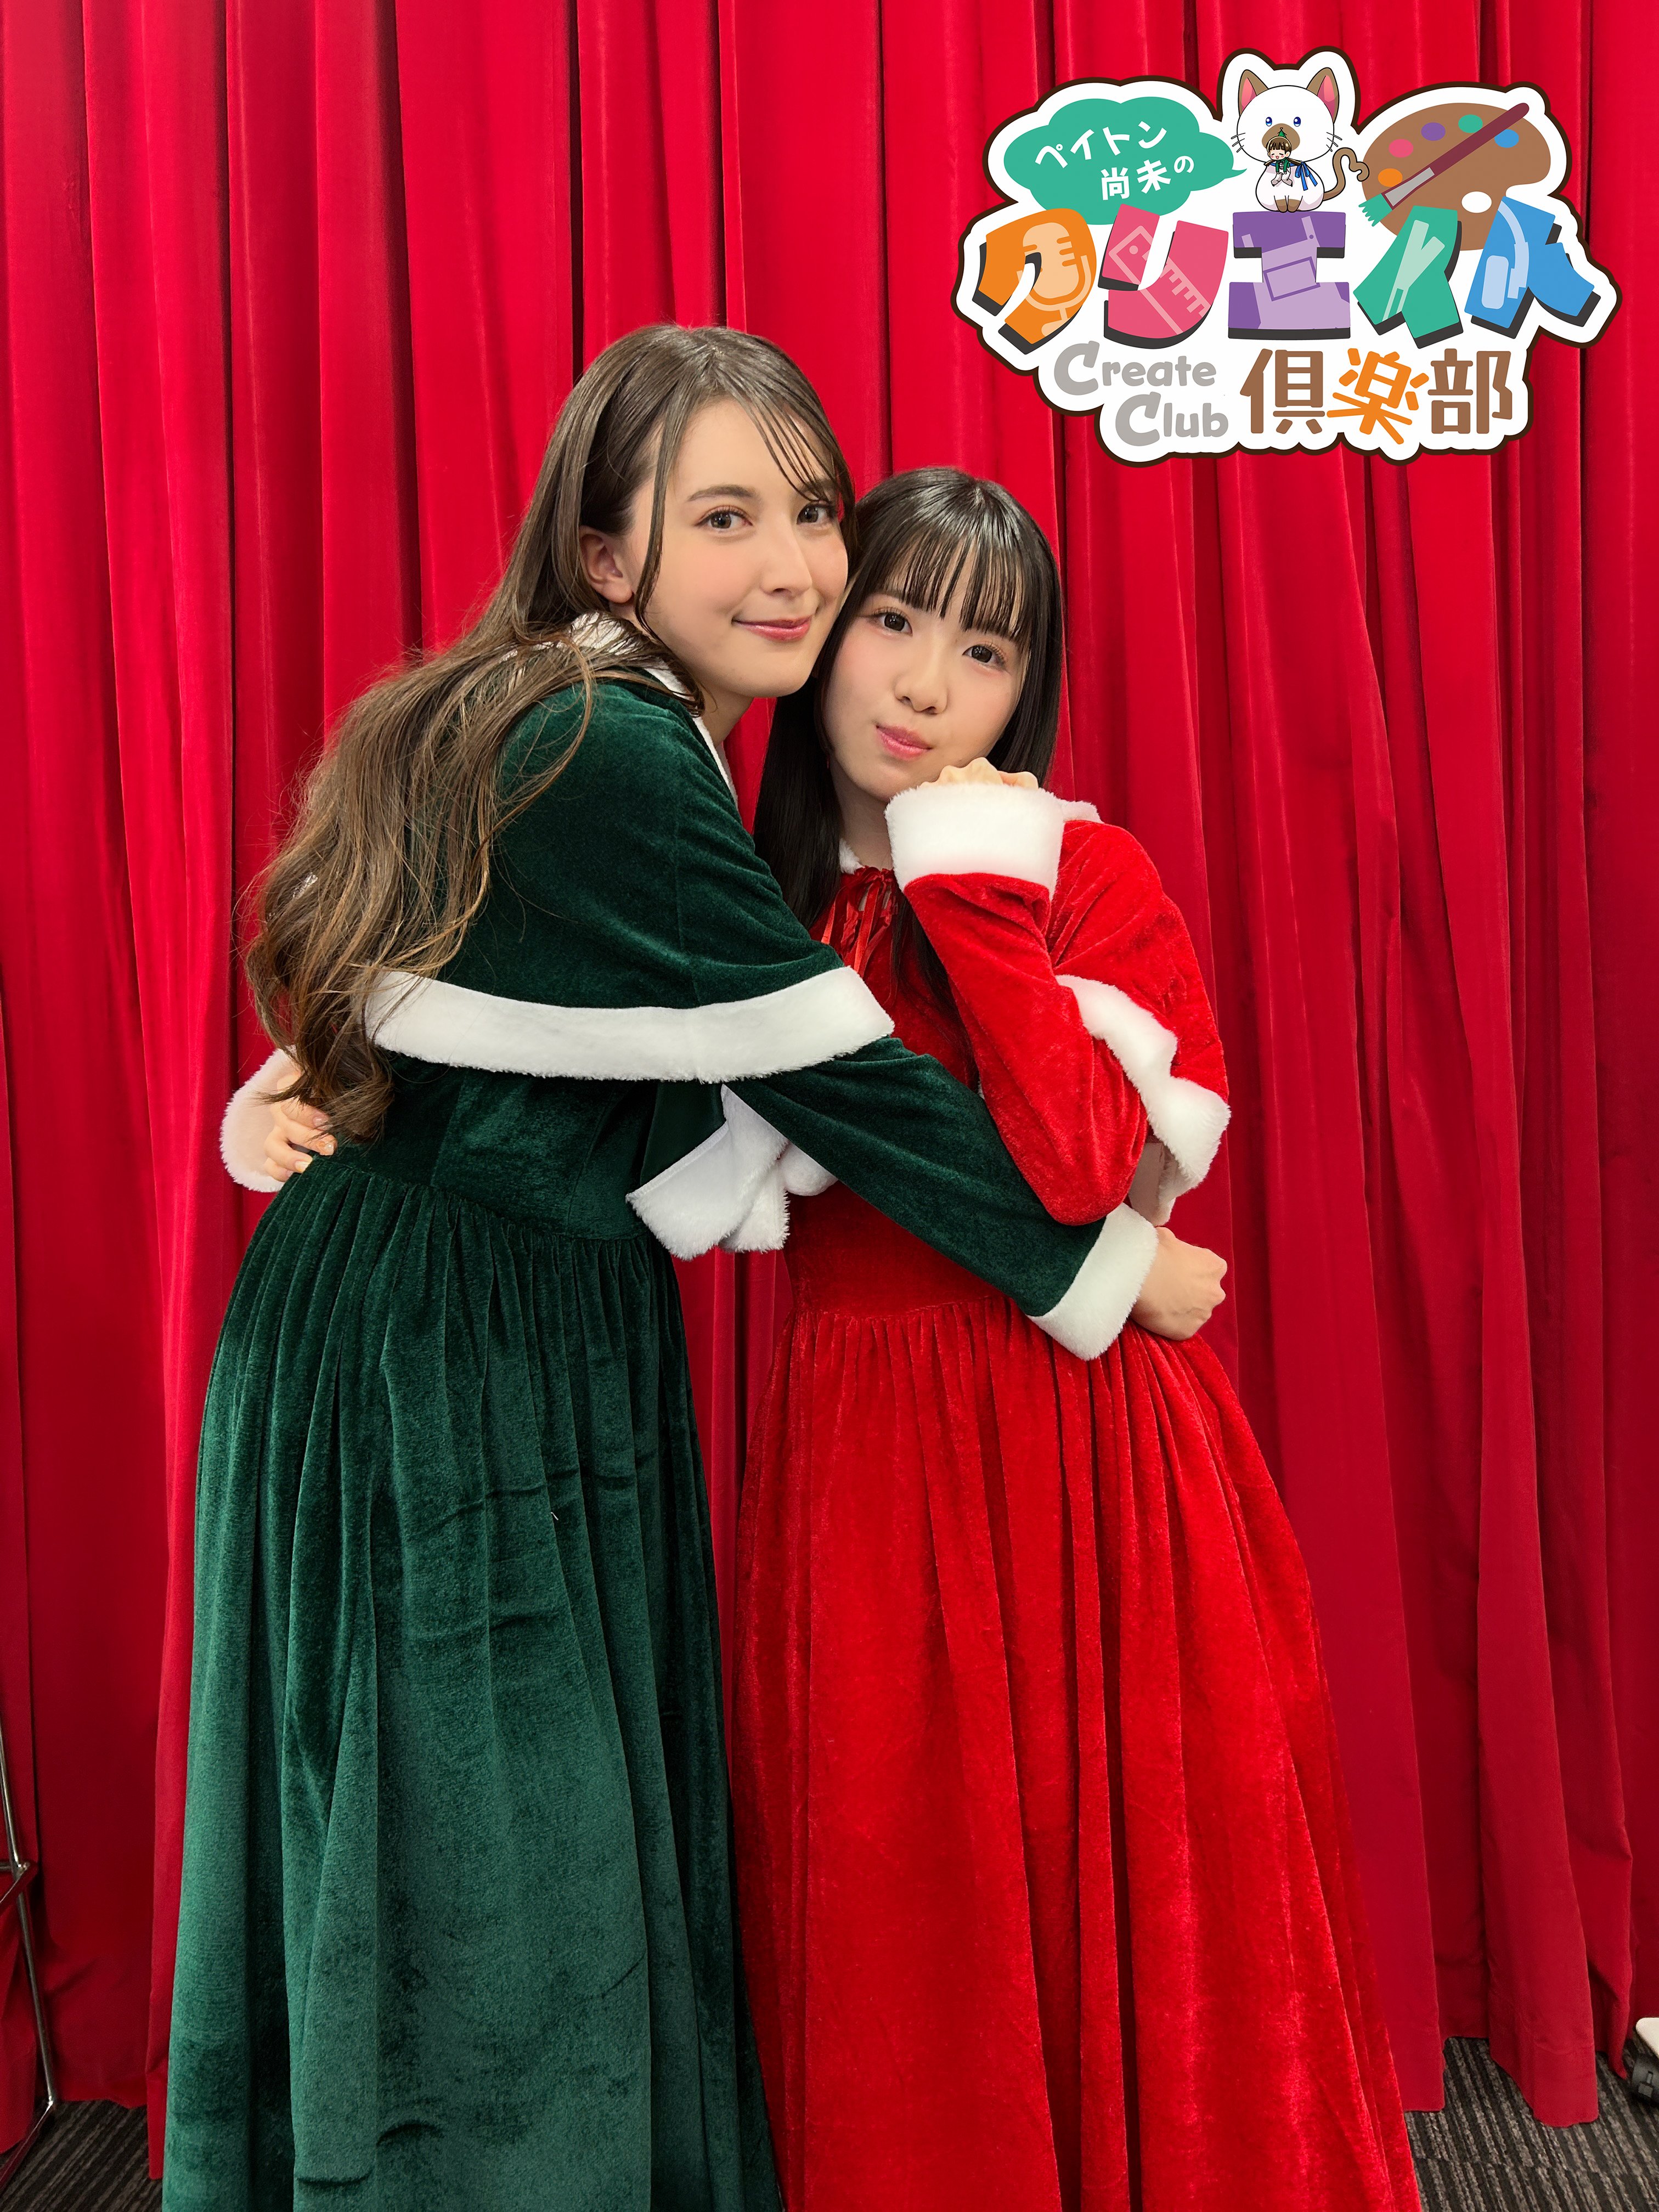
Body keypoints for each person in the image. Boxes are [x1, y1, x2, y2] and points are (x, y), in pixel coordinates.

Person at [171, 328, 1205, 2212]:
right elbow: (847, 1087)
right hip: (450, 1350)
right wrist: (1109, 1268)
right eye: (724, 518)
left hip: (461, 1318)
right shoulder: (612, 742)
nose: (795, 567)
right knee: (496, 1900)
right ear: (605, 549)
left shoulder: (566, 715)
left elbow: (391, 956)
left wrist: (316, 1085)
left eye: (811, 511)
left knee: (465, 1866)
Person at [731, 467, 1420, 2211]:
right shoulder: (756, 900)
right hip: (864, 1453)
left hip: (1089, 1442)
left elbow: (1084, 1162)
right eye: (895, 622)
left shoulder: (1080, 871)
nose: (924, 685)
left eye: (984, 652)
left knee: (1146, 1896)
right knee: (911, 1909)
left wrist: (973, 896)